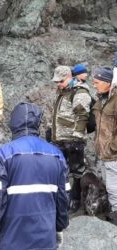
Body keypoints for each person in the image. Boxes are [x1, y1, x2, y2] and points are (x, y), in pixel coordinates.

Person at [0, 102, 69, 250]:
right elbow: (63, 197)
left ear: (13, 123)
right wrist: (60, 226)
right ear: (37, 123)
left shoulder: (3, 154)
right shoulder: (57, 155)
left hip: (12, 239)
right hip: (46, 239)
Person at [50, 65, 92, 213]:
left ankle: (75, 199)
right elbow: (57, 114)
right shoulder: (63, 91)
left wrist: (77, 138)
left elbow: (82, 116)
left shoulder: (80, 92)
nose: (58, 84)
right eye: (56, 82)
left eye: (60, 81)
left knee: (76, 171)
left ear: (69, 77)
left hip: (73, 140)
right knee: (59, 170)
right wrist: (51, 132)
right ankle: (60, 198)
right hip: (59, 139)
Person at [92, 66, 117, 225]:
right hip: (103, 152)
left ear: (108, 83)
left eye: (97, 82)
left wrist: (112, 147)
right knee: (110, 187)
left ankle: (115, 217)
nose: (94, 85)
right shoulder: (101, 98)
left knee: (114, 189)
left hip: (113, 153)